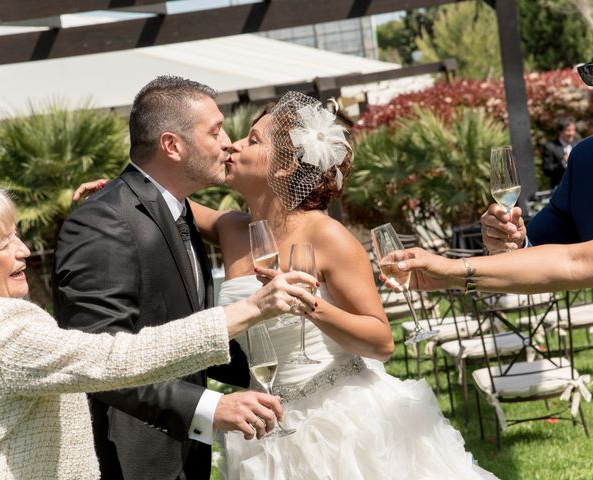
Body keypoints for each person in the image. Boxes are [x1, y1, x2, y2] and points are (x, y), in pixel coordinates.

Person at [192, 92, 496, 479]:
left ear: (285, 166)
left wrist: (308, 304)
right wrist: (121, 191)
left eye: (253, 140)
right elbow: (163, 199)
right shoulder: (230, 229)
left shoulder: (328, 236)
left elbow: (381, 341)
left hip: (343, 421)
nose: (233, 144)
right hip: (266, 424)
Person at [0, 161, 317, 480]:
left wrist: (127, 194)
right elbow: (117, 359)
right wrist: (253, 308)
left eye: (16, 234)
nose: (24, 250)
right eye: (3, 244)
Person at [53, 76, 294, 480]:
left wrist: (298, 371)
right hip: (131, 460)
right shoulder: (103, 220)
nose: (228, 142)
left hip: (185, 454)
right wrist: (209, 407)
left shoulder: (177, 211)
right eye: (215, 131)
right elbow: (95, 359)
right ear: (172, 145)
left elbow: (179, 332)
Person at [481, 66, 593, 253]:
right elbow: (534, 245)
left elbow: (582, 262)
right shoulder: (584, 158)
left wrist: (461, 269)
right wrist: (511, 241)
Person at [380, 240, 593, 294]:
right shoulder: (582, 155)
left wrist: (452, 270)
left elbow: (578, 263)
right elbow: (557, 261)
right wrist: (450, 277)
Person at [541, 116, 580, 188]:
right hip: (560, 188)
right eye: (568, 130)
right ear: (559, 131)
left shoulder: (579, 143)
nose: (572, 133)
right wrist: (563, 162)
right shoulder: (550, 147)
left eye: (573, 130)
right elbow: (546, 170)